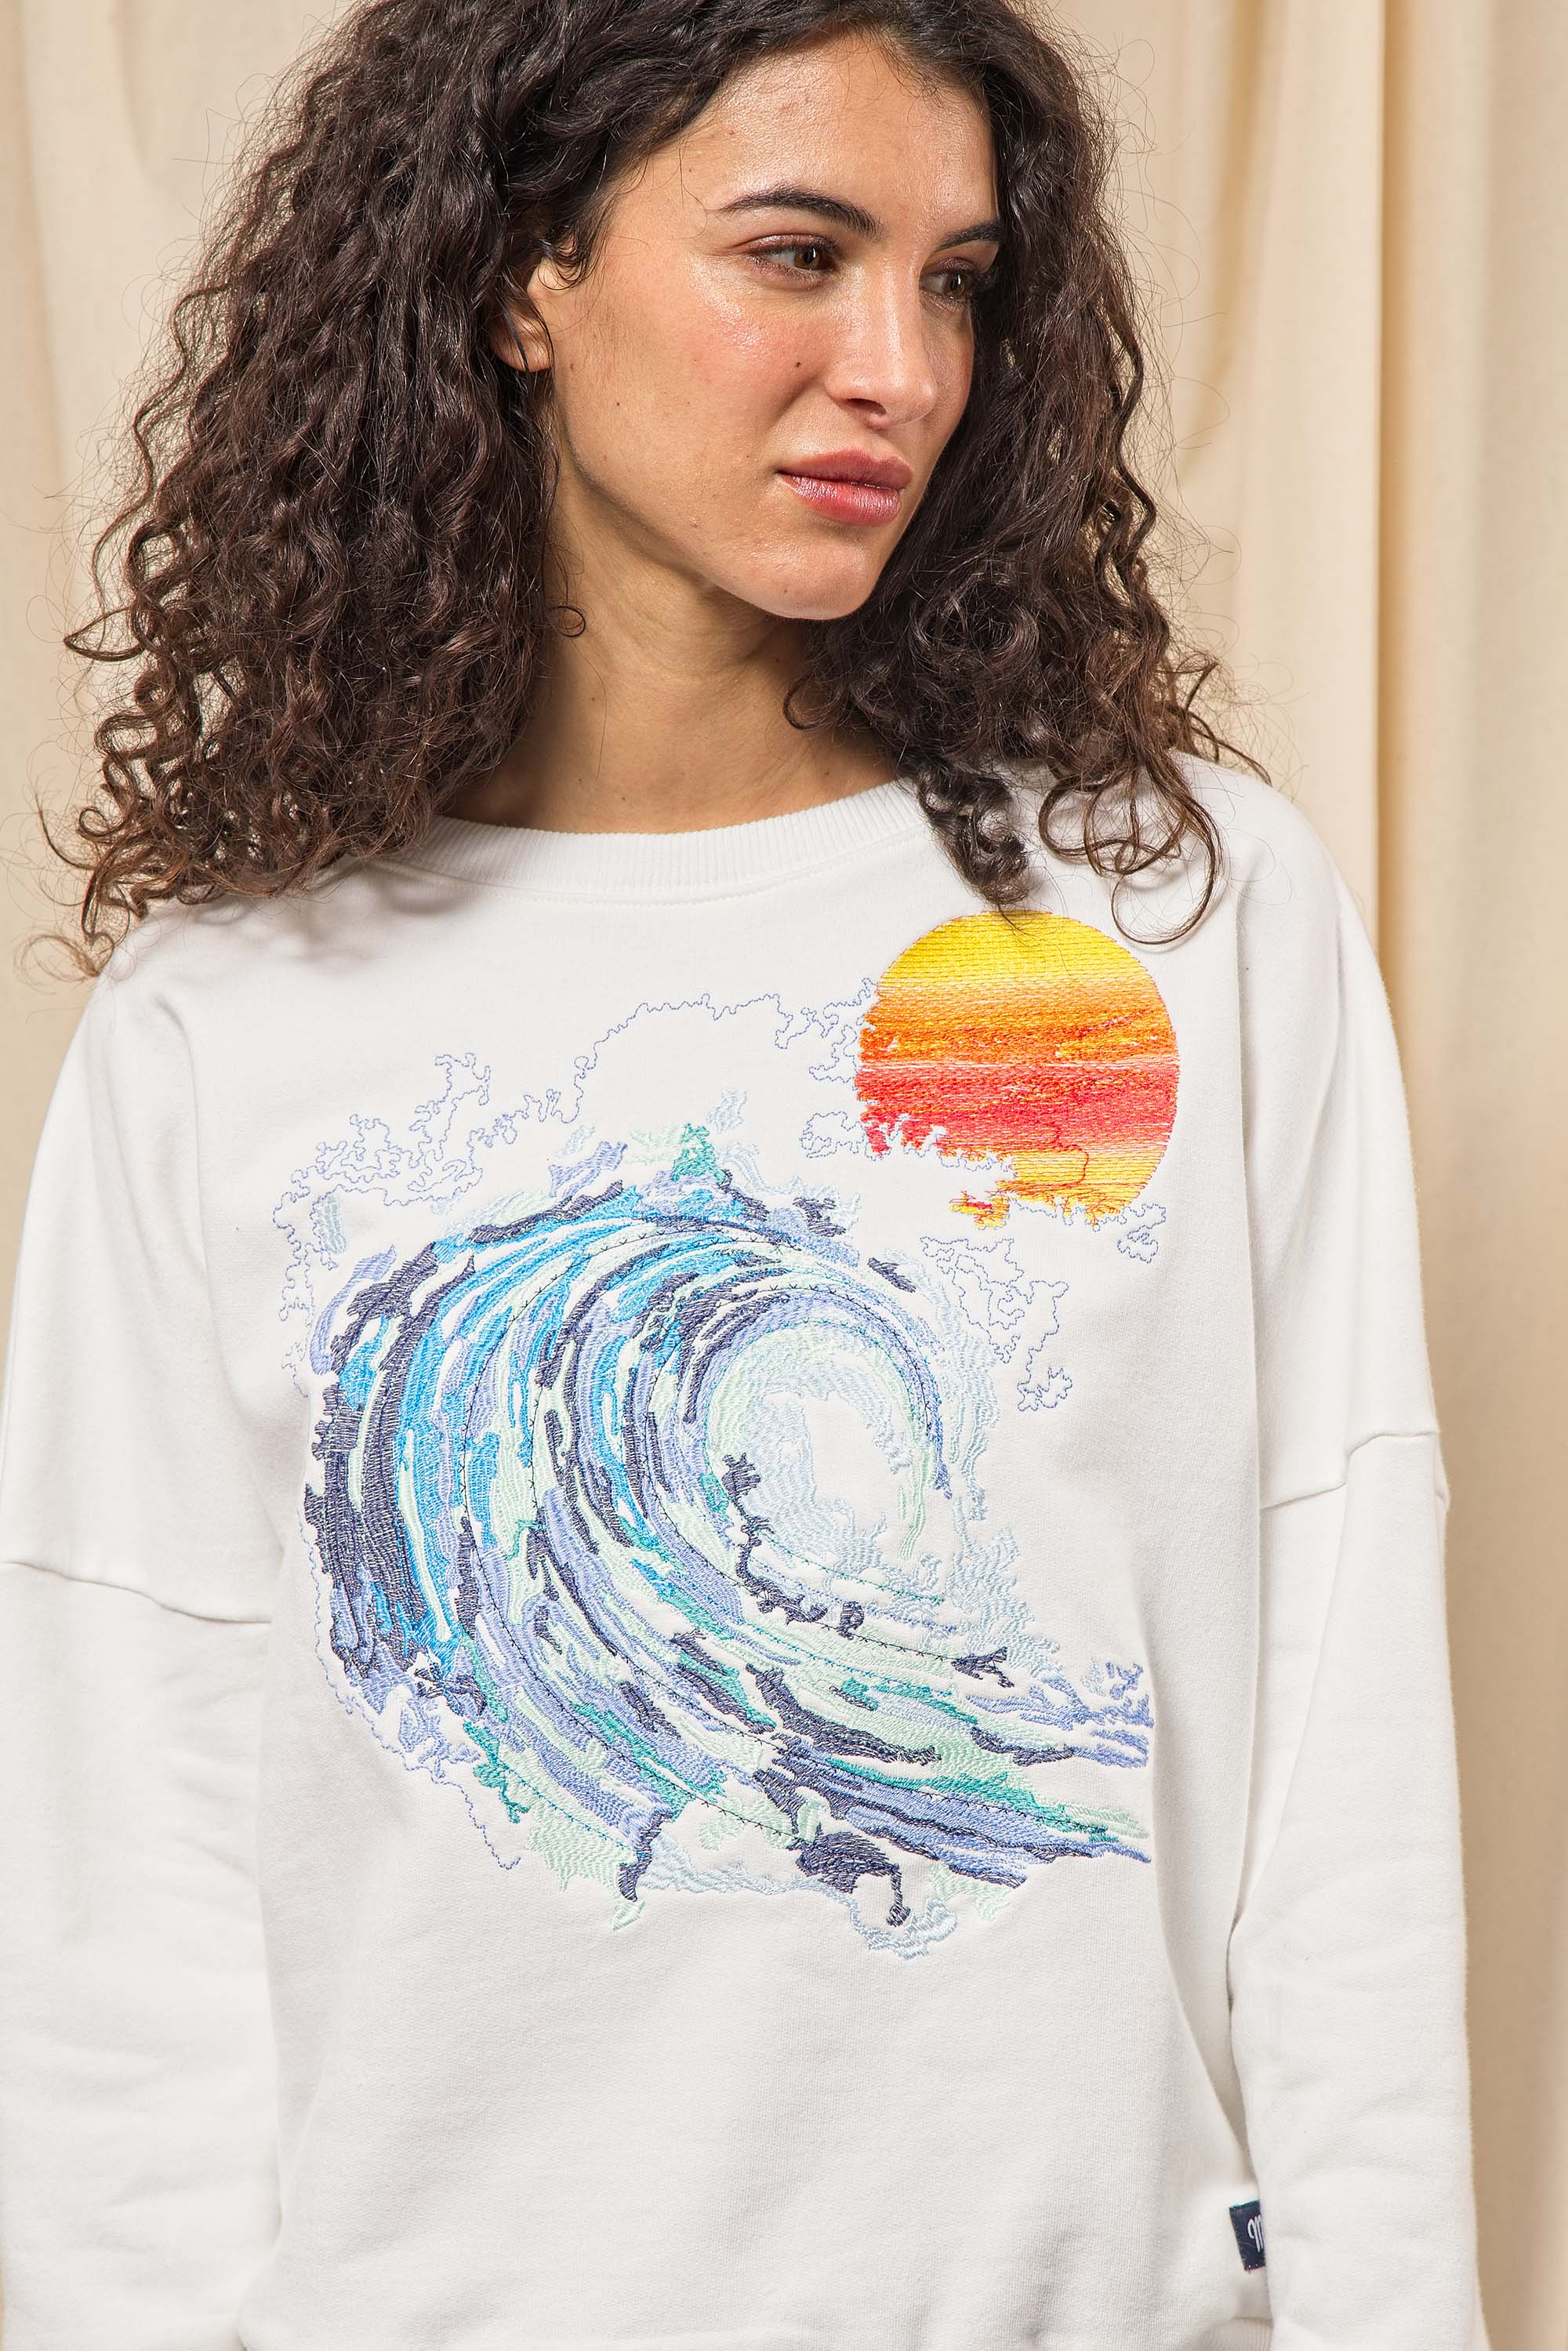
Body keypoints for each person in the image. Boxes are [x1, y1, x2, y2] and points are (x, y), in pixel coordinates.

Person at [0, 0, 1488, 2345]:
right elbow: (123, 1895)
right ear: (528, 276)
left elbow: (1339, 1752)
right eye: (799, 255)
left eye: (958, 281)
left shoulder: (1169, 914)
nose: (900, 368)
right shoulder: (228, 1018)